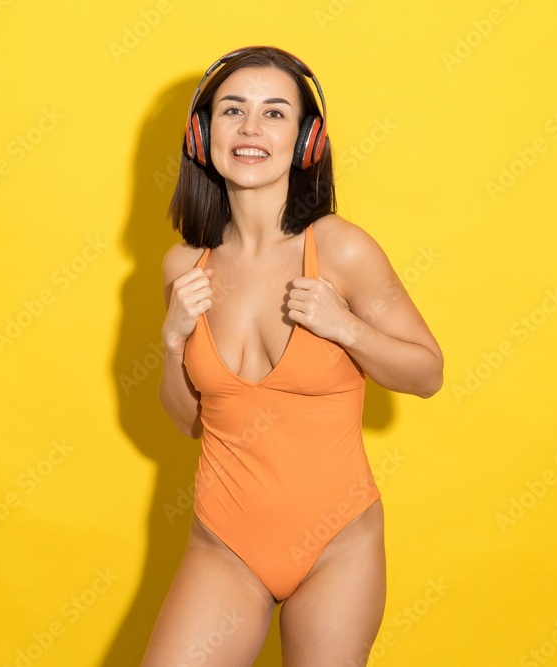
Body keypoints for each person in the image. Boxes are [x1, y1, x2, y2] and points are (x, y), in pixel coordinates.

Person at [143, 46, 443, 666]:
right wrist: (172, 342)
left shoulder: (340, 250)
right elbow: (189, 421)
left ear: (306, 142)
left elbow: (428, 373)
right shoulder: (184, 267)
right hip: (224, 546)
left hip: (338, 549)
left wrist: (348, 330)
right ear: (203, 134)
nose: (251, 129)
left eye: (275, 113)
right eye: (233, 111)